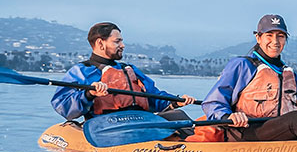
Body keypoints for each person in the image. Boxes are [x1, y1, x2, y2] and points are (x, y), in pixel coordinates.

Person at [51, 22, 196, 121]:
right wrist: (89, 94)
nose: (123, 45)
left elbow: (155, 97)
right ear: (100, 43)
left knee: (178, 115)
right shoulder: (81, 72)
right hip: (107, 125)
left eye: (121, 41)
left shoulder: (129, 69)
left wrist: (177, 101)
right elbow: (63, 107)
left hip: (141, 122)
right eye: (117, 41)